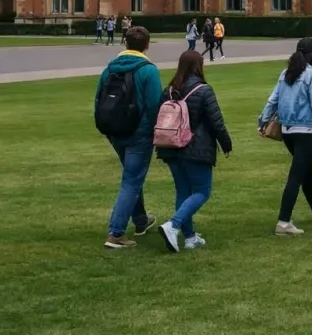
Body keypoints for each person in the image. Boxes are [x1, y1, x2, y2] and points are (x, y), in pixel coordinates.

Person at [156, 50, 232, 252]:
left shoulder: (169, 90)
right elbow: (217, 123)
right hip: (196, 148)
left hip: (170, 146)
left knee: (183, 191)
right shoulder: (204, 90)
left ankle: (189, 237)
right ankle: (173, 225)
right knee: (201, 191)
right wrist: (226, 144)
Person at [94, 26, 162, 248]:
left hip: (115, 131)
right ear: (147, 45)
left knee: (132, 176)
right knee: (132, 180)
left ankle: (141, 221)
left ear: (125, 43)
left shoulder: (109, 69)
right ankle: (115, 233)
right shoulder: (148, 70)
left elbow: (98, 100)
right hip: (138, 134)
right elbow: (154, 106)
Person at [259, 37, 312, 235]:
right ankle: (283, 221)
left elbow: (273, 99)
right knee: (297, 174)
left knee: (306, 168)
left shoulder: (286, 73)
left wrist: (263, 120)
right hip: (306, 131)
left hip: (288, 131)